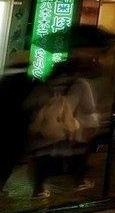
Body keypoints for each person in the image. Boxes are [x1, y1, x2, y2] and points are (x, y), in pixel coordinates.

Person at [25, 59, 99, 197]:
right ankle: (79, 182)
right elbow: (88, 108)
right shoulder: (80, 84)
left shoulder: (46, 84)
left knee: (43, 160)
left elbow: (29, 104)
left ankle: (39, 188)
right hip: (68, 132)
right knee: (77, 157)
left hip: (45, 133)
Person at [0, 54, 37, 197]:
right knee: (9, 159)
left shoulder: (2, 80)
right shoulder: (27, 82)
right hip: (17, 126)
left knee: (0, 156)